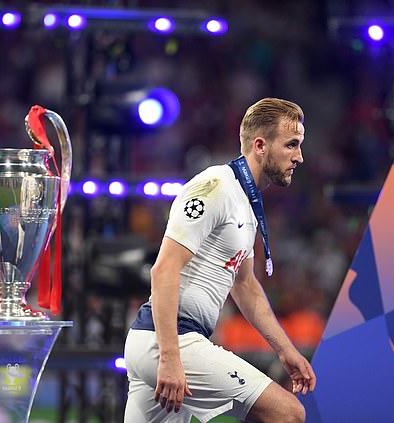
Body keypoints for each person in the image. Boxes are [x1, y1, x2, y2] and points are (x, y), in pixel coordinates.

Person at [124, 98, 316, 423]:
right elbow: (164, 269)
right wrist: (170, 358)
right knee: (288, 414)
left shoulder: (244, 201)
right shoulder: (214, 187)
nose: (299, 156)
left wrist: (285, 350)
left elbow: (245, 286)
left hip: (165, 341)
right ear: (260, 146)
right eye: (291, 145)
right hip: (171, 340)